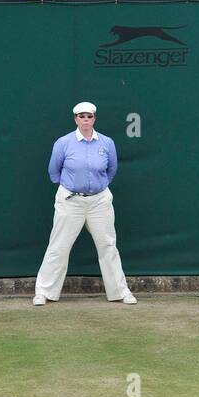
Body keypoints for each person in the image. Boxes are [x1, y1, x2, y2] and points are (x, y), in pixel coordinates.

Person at [33, 101, 137, 306]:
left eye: (89, 116)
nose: (85, 120)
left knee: (108, 245)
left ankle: (120, 292)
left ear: (94, 118)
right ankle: (43, 292)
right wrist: (72, 188)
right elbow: (54, 171)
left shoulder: (106, 143)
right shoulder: (63, 143)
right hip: (70, 201)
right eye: (81, 116)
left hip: (100, 201)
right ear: (75, 119)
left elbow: (111, 170)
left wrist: (97, 188)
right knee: (58, 247)